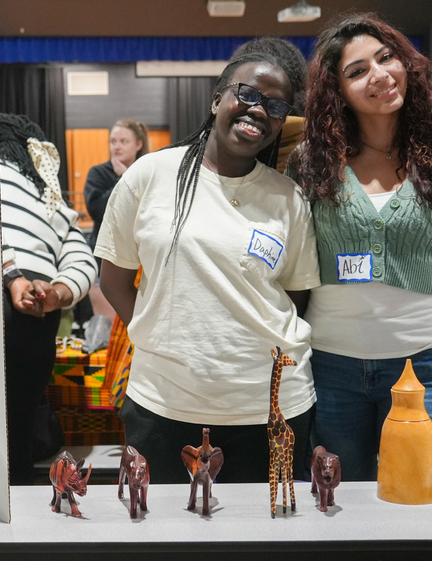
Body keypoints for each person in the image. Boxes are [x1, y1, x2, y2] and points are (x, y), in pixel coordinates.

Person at [95, 47, 320, 484]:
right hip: (163, 403)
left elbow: (295, 297)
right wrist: (159, 334)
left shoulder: (288, 198)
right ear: (217, 99)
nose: (259, 109)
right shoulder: (149, 175)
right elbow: (115, 279)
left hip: (272, 409)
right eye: (248, 94)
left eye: (276, 106)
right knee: (162, 536)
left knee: (270, 540)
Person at [288, 14, 432, 480]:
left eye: (386, 58)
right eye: (357, 71)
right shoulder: (312, 162)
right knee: (342, 500)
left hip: (428, 363)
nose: (379, 75)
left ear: (406, 64)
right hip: (333, 363)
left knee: (417, 495)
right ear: (338, 91)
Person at [0, 114, 97, 484]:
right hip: (38, 315)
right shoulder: (50, 196)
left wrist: (11, 276)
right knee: (19, 429)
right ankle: (23, 524)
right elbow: (83, 260)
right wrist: (55, 293)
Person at [84, 120, 149, 250]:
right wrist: (123, 179)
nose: (117, 147)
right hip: (106, 248)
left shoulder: (147, 173)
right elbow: (97, 211)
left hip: (140, 247)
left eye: (124, 142)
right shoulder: (98, 172)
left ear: (138, 145)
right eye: (113, 141)